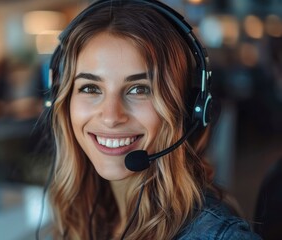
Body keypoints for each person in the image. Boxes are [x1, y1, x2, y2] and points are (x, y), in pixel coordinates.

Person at [39, 0, 262, 239]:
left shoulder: (221, 236)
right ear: (61, 101)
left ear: (187, 107)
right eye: (91, 88)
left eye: (139, 89)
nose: (111, 117)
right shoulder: (84, 218)